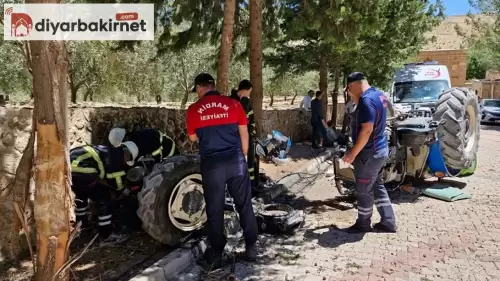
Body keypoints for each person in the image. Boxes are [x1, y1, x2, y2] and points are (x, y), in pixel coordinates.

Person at [186, 73, 258, 268]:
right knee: (244, 204)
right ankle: (251, 246)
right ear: (214, 85)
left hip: (212, 165)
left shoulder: (193, 110)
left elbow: (193, 139)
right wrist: (243, 157)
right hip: (236, 161)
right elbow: (244, 132)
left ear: (200, 88)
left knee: (215, 209)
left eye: (197, 90)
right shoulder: (234, 104)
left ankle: (217, 253)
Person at [342, 72, 397, 233]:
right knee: (377, 185)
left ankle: (363, 224)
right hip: (380, 149)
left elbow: (366, 131)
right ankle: (389, 221)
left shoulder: (366, 101)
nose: (350, 95)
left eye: (349, 91)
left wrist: (353, 153)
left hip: (369, 154)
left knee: (363, 189)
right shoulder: (378, 95)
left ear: (353, 85)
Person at [70, 141, 139, 246]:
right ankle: (106, 235)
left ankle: (81, 228)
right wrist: (126, 192)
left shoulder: (109, 151)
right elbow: (116, 184)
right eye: (128, 160)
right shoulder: (117, 158)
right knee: (103, 198)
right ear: (127, 154)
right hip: (85, 169)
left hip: (71, 168)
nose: (126, 163)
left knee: (81, 197)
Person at [230, 80, 260, 190]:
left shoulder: (247, 102)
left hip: (248, 137)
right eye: (249, 91)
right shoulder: (231, 101)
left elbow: (251, 119)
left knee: (250, 161)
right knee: (238, 162)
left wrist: (253, 133)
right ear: (244, 90)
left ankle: (251, 186)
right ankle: (239, 185)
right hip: (235, 138)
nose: (249, 94)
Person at [108, 127, 179, 162]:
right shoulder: (136, 137)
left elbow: (155, 154)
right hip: (164, 150)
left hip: (169, 153)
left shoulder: (141, 140)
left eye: (121, 146)